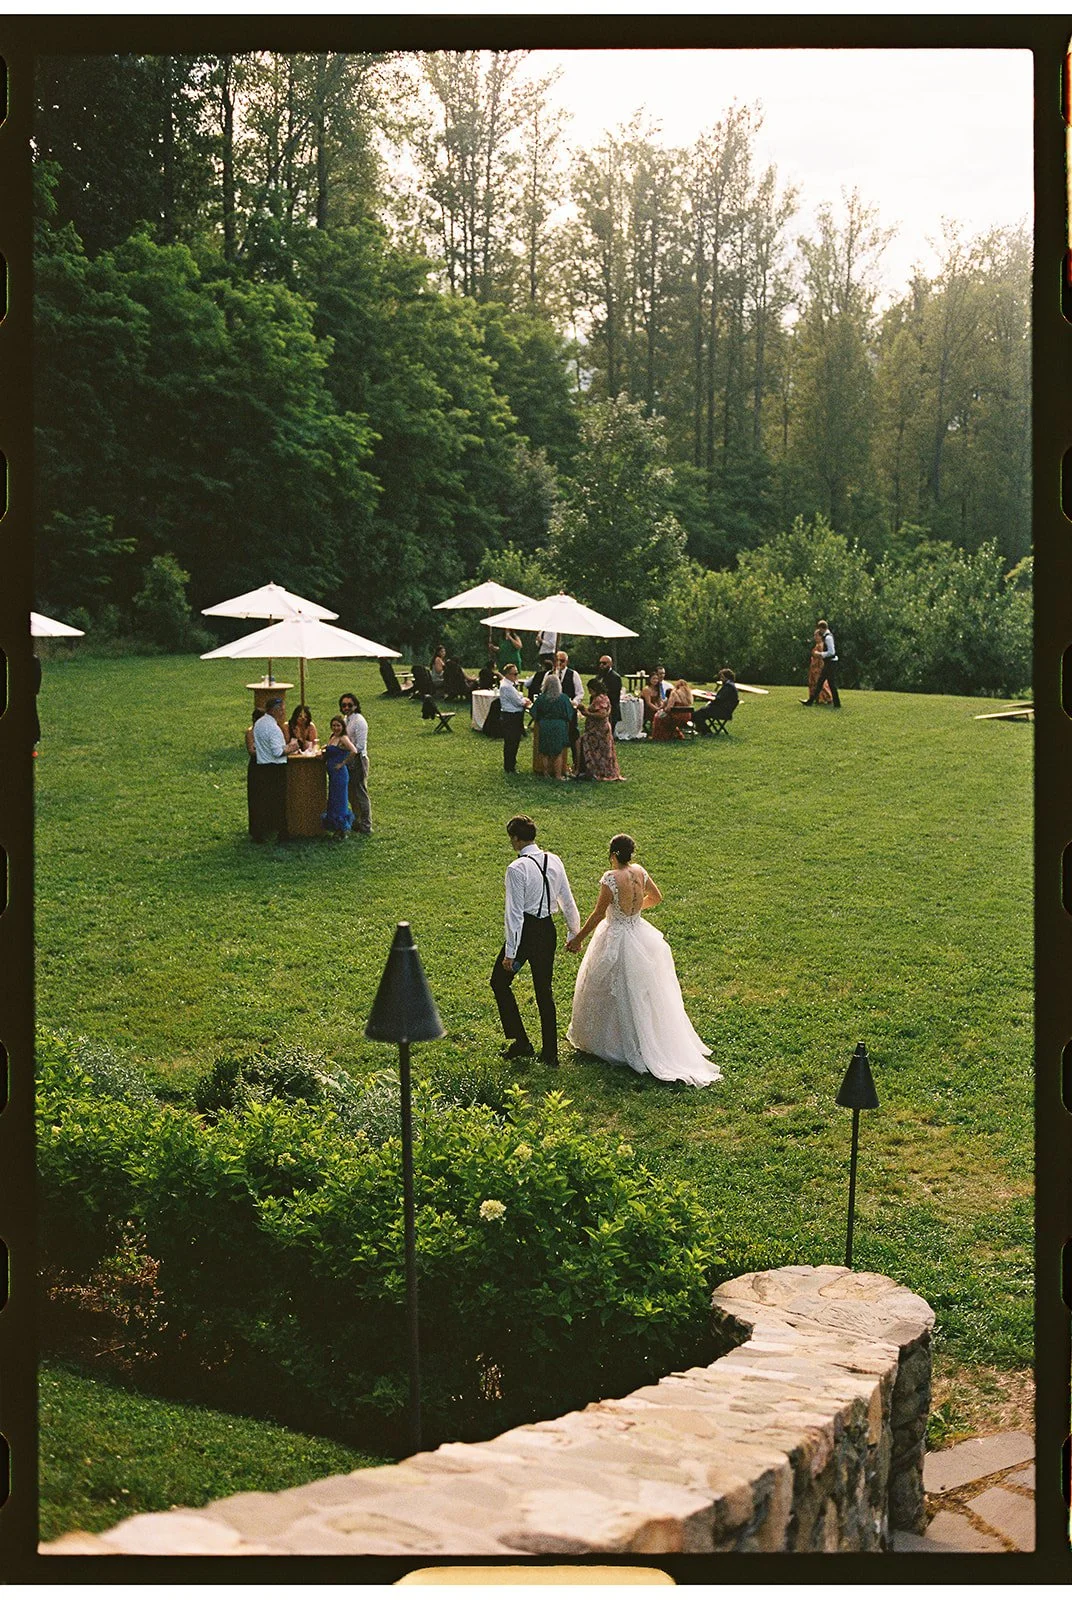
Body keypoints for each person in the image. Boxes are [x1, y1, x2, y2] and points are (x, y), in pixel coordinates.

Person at [566, 834, 720, 1087]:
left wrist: (578, 938)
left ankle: (612, 1043)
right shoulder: (640, 871)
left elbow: (596, 914)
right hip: (639, 932)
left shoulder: (611, 878)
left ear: (613, 854)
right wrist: (633, 913)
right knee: (641, 992)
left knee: (608, 987)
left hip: (616, 935)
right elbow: (656, 897)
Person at [491, 814, 580, 1068]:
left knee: (499, 981)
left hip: (526, 933)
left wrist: (511, 952)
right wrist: (574, 933)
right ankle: (549, 1053)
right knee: (544, 991)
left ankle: (521, 1041)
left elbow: (515, 915)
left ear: (516, 839)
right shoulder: (554, 860)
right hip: (546, 931)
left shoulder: (516, 869)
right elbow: (567, 899)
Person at [251, 695, 296, 842]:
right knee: (279, 801)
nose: (284, 712)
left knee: (263, 801)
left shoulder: (259, 724)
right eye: (282, 709)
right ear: (275, 710)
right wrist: (291, 748)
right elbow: (277, 752)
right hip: (275, 769)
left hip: (261, 766)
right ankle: (282, 833)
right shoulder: (273, 728)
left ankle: (260, 832)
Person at [578, 678, 625, 781]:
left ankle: (598, 771)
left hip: (598, 730)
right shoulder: (603, 698)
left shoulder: (600, 699)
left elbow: (602, 714)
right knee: (604, 751)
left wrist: (587, 713)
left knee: (597, 751)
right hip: (599, 728)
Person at [339, 692, 372, 834]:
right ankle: (356, 821)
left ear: (356, 705)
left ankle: (366, 825)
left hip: (358, 759)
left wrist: (347, 754)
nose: (346, 707)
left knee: (360, 792)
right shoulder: (346, 720)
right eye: (343, 705)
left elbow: (360, 746)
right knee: (351, 793)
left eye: (349, 705)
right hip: (349, 759)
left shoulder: (359, 721)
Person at [530, 671, 572, 781]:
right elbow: (569, 714)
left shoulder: (541, 698)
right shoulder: (563, 698)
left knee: (545, 751)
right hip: (559, 725)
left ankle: (545, 773)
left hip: (545, 725)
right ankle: (558, 775)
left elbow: (533, 712)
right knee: (558, 752)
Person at [322, 716, 357, 837]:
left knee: (340, 801)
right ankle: (335, 828)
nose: (336, 728)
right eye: (334, 725)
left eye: (338, 725)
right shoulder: (333, 737)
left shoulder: (343, 738)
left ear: (343, 727)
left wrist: (342, 763)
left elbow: (354, 751)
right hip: (332, 774)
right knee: (333, 800)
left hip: (340, 775)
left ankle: (342, 829)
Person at [499, 661, 531, 774]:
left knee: (514, 741)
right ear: (508, 674)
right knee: (511, 741)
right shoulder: (506, 687)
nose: (516, 676)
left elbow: (518, 696)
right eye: (514, 674)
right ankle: (509, 766)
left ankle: (511, 763)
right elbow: (518, 701)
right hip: (511, 716)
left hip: (514, 715)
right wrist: (525, 701)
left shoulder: (510, 685)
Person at [554, 650, 584, 769]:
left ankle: (576, 763)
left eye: (562, 661)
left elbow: (580, 693)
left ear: (567, 662)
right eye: (558, 660)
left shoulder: (573, 674)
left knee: (573, 736)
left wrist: (574, 702)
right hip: (555, 711)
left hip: (569, 710)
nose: (560, 663)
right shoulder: (550, 674)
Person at [802, 619, 841, 707]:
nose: (819, 632)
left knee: (830, 684)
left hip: (831, 663)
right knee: (820, 682)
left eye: (819, 630)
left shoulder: (828, 638)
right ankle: (811, 701)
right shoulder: (827, 636)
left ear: (822, 628)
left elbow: (832, 652)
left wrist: (820, 654)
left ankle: (836, 703)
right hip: (829, 662)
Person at [694, 668, 740, 735]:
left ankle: (707, 732)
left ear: (726, 677)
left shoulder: (728, 686)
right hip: (724, 709)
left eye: (722, 677)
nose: (721, 679)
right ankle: (701, 730)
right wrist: (713, 695)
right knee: (700, 712)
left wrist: (709, 698)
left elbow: (719, 699)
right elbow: (722, 696)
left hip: (722, 711)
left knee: (697, 714)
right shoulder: (730, 685)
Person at [807, 627, 834, 705]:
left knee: (821, 684)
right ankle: (817, 698)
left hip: (818, 668)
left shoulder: (821, 645)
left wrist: (820, 667)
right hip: (814, 667)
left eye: (816, 635)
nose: (815, 637)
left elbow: (821, 657)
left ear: (820, 636)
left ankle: (827, 698)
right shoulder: (817, 645)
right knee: (813, 683)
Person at [598, 654, 622, 732]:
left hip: (611, 708)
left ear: (610, 664)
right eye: (600, 663)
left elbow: (614, 695)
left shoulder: (615, 677)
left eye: (604, 663)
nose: (601, 665)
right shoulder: (599, 676)